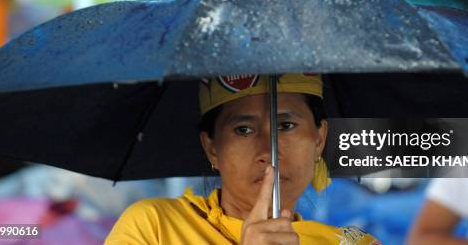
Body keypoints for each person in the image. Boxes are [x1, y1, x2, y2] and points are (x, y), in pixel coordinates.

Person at [105, 74, 380, 244]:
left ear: (319, 139)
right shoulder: (155, 228)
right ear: (212, 147)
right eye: (243, 130)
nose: (268, 151)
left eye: (286, 126)